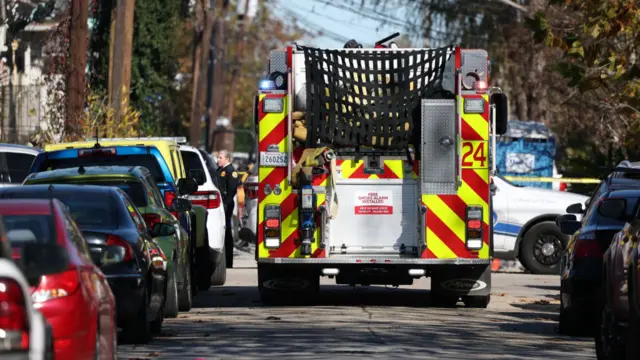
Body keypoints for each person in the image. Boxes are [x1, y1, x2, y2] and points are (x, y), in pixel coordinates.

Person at [216, 150, 238, 267]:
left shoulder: (230, 171)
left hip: (226, 205)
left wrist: (226, 206)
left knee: (227, 232)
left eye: (220, 158)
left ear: (227, 159)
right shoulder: (220, 170)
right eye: (218, 158)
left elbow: (232, 191)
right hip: (221, 205)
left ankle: (228, 261)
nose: (218, 160)